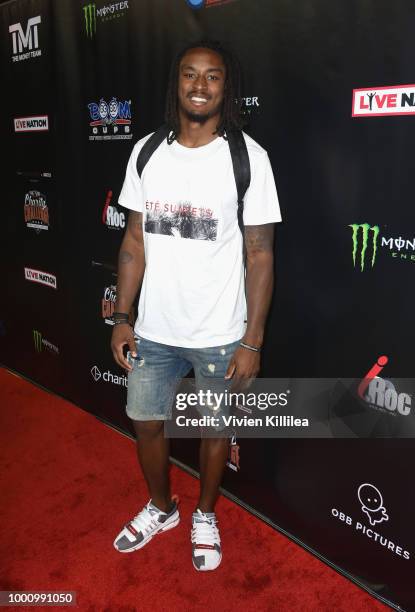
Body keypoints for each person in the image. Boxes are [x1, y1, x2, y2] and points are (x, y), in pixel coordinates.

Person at [111, 39, 281, 571]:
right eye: (190, 75)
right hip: (154, 329)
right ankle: (162, 508)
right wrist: (122, 315)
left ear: (225, 87)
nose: (200, 86)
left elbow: (260, 255)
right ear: (176, 83)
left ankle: (205, 512)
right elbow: (134, 242)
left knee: (214, 431)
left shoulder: (248, 157)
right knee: (146, 422)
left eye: (212, 76)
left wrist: (252, 339)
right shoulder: (145, 151)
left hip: (219, 332)